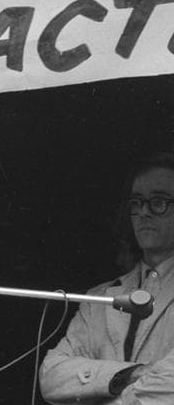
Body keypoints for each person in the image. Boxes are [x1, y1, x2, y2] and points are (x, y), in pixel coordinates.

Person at [40, 152, 174, 404]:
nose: (144, 212)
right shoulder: (99, 297)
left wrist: (102, 390)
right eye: (137, 202)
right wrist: (129, 374)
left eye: (158, 201)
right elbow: (51, 375)